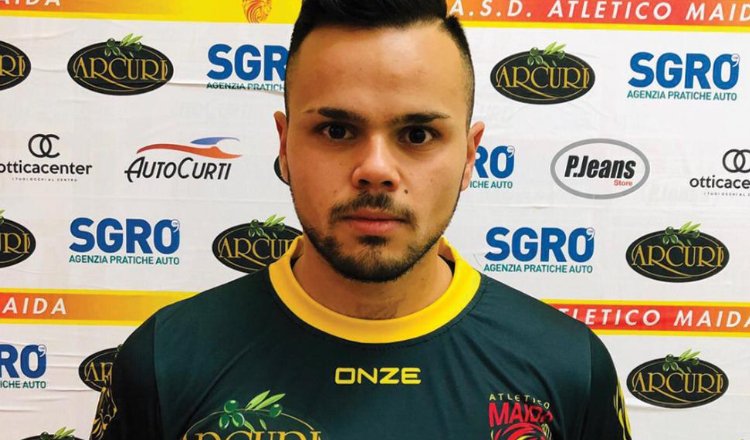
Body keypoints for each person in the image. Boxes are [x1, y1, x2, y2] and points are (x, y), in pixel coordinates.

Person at [91, 1, 633, 439]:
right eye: (337, 131)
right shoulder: (166, 360)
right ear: (284, 145)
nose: (375, 169)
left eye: (417, 135)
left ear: (470, 156)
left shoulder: (567, 366)